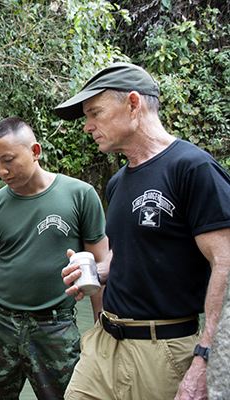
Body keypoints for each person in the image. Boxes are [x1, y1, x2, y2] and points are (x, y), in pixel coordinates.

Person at [56, 62, 230, 399]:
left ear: (133, 105)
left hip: (164, 351)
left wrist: (205, 358)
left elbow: (225, 264)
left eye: (95, 113)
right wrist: (96, 271)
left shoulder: (193, 168)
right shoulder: (119, 181)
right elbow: (131, 256)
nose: (87, 126)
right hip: (104, 346)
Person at [0, 116, 108, 399]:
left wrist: (101, 334)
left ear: (35, 151)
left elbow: (100, 270)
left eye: (8, 159)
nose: (2, 171)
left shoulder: (81, 196)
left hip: (55, 326)